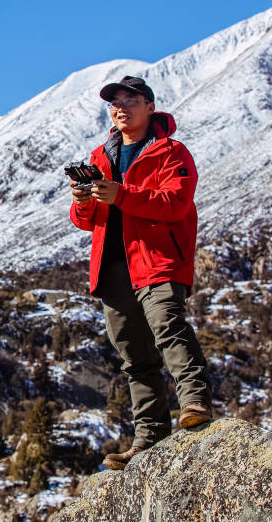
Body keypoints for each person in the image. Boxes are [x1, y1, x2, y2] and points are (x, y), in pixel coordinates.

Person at [68, 75, 214, 469]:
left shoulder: (171, 152)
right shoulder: (102, 156)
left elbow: (176, 203)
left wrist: (123, 195)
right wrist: (84, 200)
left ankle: (195, 404)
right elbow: (86, 221)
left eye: (130, 100)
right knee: (134, 355)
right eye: (114, 103)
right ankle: (149, 438)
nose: (120, 108)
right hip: (112, 266)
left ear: (150, 107)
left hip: (156, 259)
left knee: (169, 327)